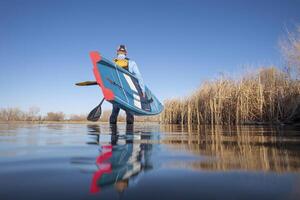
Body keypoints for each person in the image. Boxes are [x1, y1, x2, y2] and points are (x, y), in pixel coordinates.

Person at [109, 45, 145, 124]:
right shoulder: (131, 63)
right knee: (129, 112)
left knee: (114, 112)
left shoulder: (112, 62)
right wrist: (142, 90)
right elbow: (139, 76)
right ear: (126, 53)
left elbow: (108, 77)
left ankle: (113, 133)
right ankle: (129, 133)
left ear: (117, 52)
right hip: (128, 91)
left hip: (116, 91)